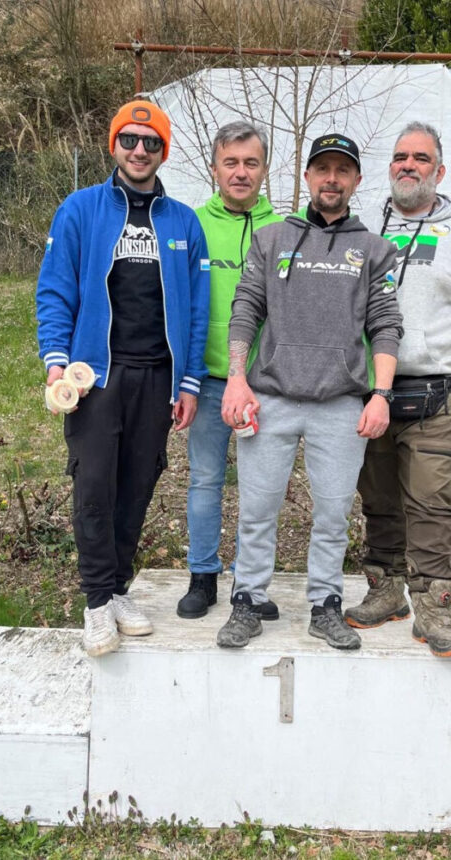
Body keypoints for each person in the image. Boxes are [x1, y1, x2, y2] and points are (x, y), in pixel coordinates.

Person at [36, 100, 210, 657]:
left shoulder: (183, 221)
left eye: (150, 142)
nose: (139, 150)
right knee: (93, 485)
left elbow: (199, 308)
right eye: (130, 140)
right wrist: (56, 358)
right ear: (113, 145)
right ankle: (95, 603)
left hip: (157, 376)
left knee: (137, 484)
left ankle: (117, 589)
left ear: (164, 151)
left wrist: (189, 383)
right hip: (96, 376)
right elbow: (56, 289)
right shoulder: (81, 209)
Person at [216, 134, 403, 651]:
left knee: (332, 513)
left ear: (356, 181)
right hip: (270, 399)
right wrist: (237, 377)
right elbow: (246, 309)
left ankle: (325, 605)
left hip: (342, 405)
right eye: (322, 169)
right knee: (256, 509)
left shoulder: (374, 249)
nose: (332, 179)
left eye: (343, 170)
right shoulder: (271, 239)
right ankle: (248, 601)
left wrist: (380, 395)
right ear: (307, 178)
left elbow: (387, 325)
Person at [344, 121, 451, 658]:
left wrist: (442, 343)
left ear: (439, 171)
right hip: (371, 392)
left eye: (420, 158)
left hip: (435, 393)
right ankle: (385, 590)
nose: (407, 165)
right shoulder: (363, 226)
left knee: (430, 503)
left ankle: (434, 607)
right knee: (380, 499)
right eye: (399, 157)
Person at [177, 121, 283, 620]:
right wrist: (185, 375)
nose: (241, 173)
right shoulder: (193, 224)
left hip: (265, 383)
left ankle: (249, 582)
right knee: (205, 481)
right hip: (208, 380)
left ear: (265, 169)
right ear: (215, 167)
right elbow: (179, 306)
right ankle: (203, 577)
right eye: (231, 162)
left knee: (259, 488)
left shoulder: (286, 230)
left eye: (251, 163)